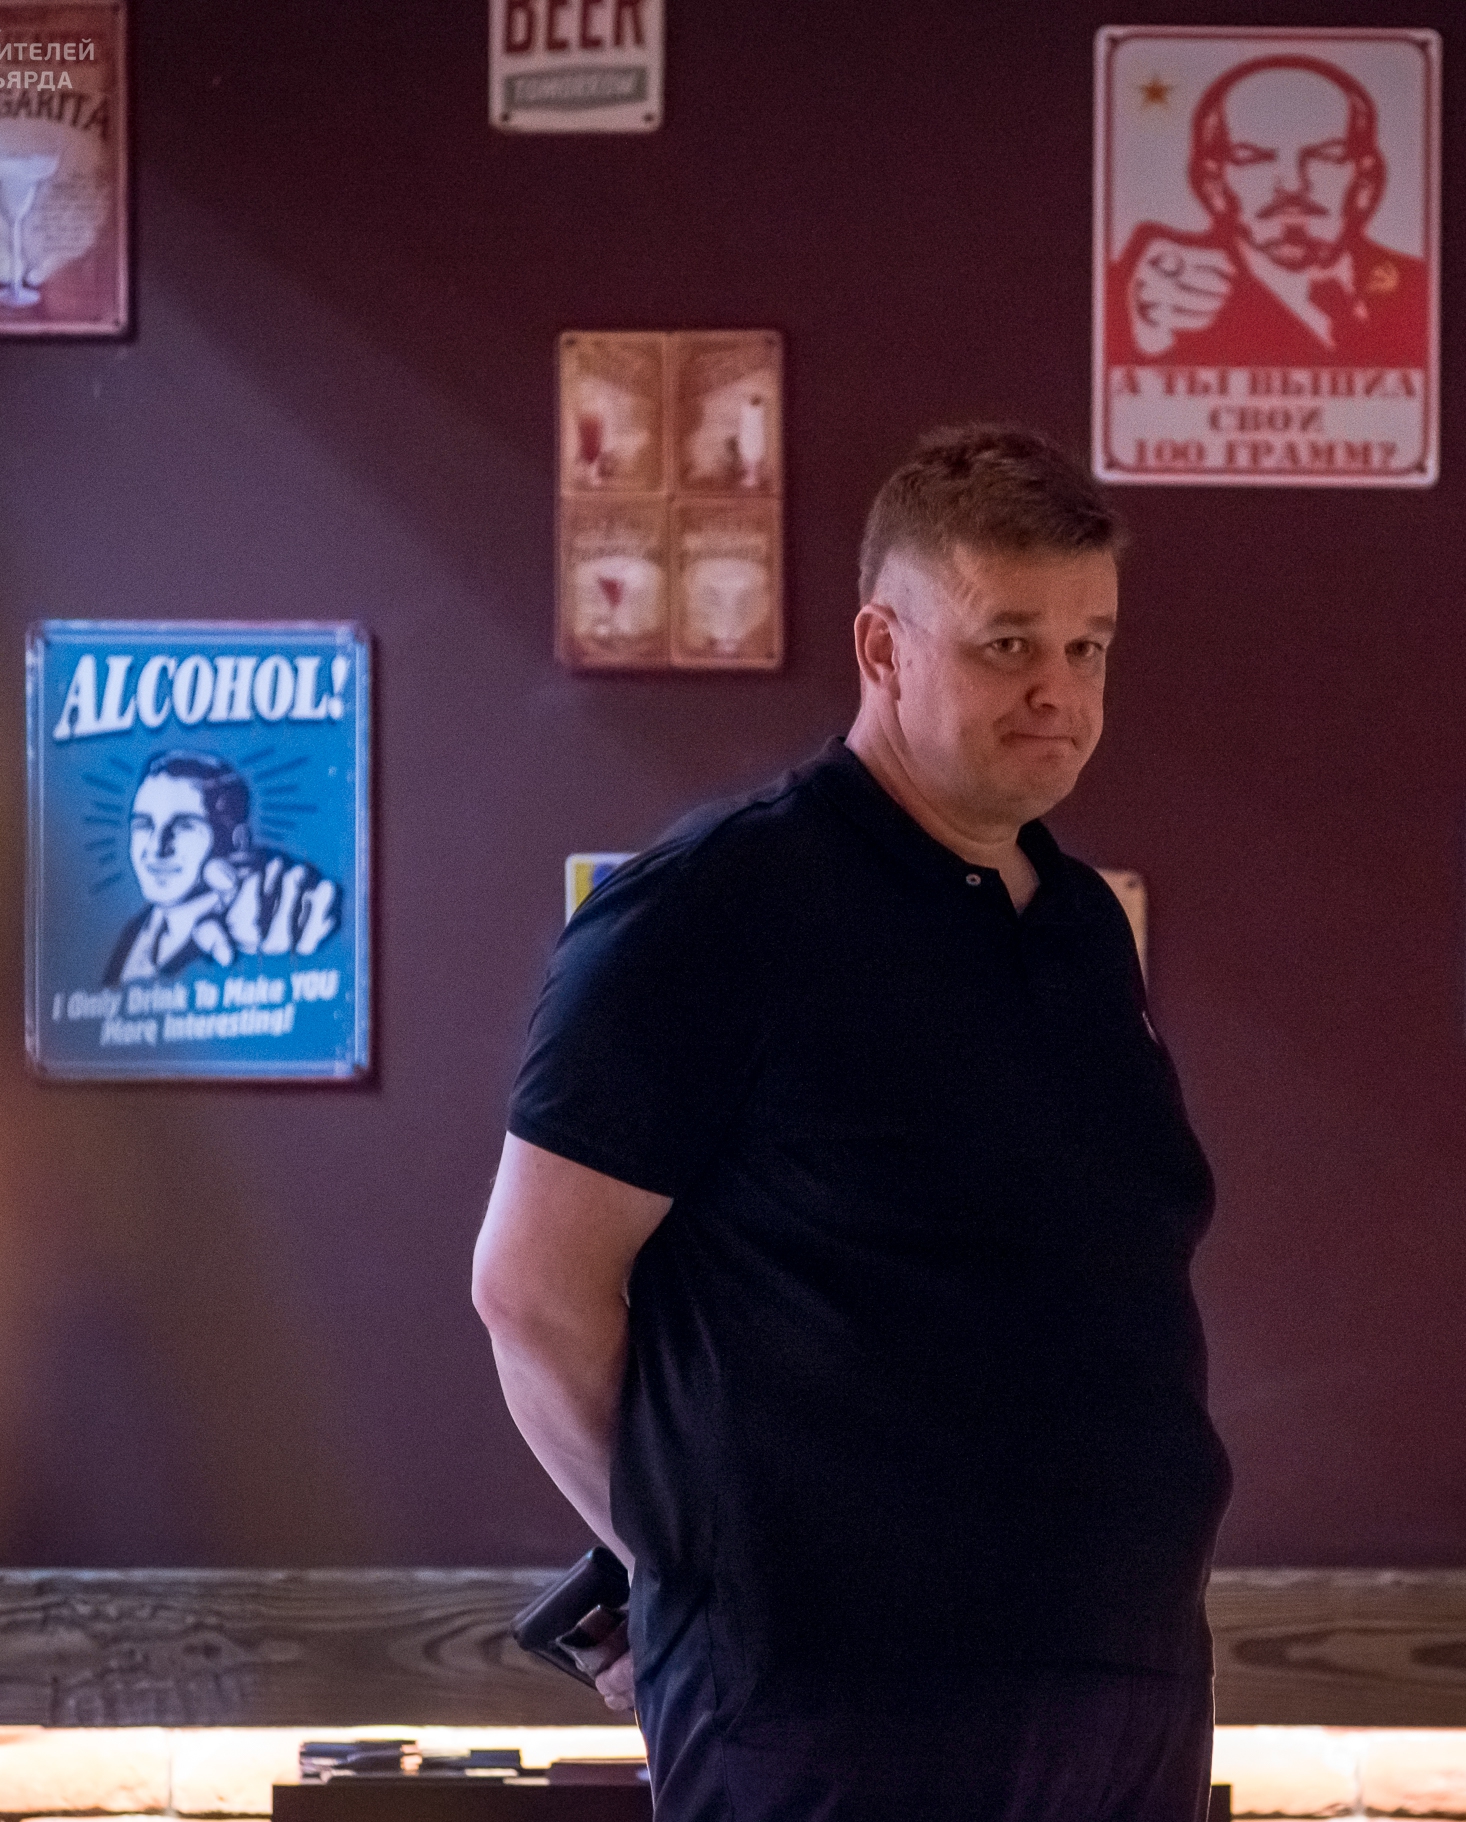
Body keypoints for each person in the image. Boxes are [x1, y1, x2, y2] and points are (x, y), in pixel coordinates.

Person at [473, 425, 1230, 1822]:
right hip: (836, 1710)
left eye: (1089, 647)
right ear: (883, 647)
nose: (1059, 691)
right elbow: (531, 1290)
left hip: (1122, 1687)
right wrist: (685, 1572)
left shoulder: (1078, 927)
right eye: (1008, 644)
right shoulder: (716, 905)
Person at [1111, 54, 1428, 367]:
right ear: (1213, 184)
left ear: (1365, 180)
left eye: (1325, 155)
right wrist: (1149, 337)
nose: (1292, 184)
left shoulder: (1420, 288)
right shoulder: (1153, 297)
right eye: (1254, 158)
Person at [105, 751, 338, 983]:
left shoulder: (254, 926)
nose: (157, 848)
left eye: (185, 825)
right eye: (143, 825)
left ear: (238, 842)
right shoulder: (134, 931)